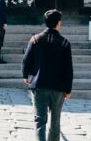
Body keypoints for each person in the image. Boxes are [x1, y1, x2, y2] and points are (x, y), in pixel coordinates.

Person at [23, 9, 73, 141]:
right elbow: (68, 69)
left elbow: (26, 60)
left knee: (40, 120)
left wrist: (25, 76)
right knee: (55, 120)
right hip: (58, 86)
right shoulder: (64, 43)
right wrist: (68, 89)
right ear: (58, 23)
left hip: (39, 84)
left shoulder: (35, 40)